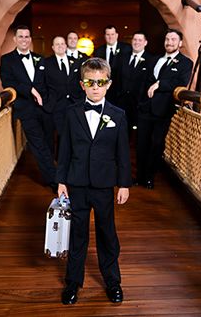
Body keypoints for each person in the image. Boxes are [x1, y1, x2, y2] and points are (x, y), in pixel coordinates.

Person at [56, 57, 132, 305]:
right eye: (90, 82)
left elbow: (123, 154)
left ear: (108, 84)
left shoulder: (118, 115)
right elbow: (64, 149)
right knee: (77, 234)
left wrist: (124, 184)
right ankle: (73, 282)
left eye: (100, 82)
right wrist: (61, 181)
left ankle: (113, 281)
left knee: (106, 232)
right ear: (82, 84)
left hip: (103, 184)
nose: (95, 87)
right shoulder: (71, 113)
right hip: (76, 183)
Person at [0, 25, 57, 192]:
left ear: (30, 39)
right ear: (15, 39)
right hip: (25, 109)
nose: (24, 39)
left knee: (48, 143)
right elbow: (8, 83)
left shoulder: (40, 58)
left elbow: (48, 83)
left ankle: (52, 175)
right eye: (21, 36)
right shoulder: (7, 60)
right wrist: (30, 90)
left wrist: (49, 105)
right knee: (38, 145)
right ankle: (54, 181)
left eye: (27, 36)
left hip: (44, 109)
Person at [136, 28, 193, 189]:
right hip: (146, 109)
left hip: (163, 110)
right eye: (167, 39)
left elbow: (180, 82)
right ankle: (139, 177)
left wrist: (160, 84)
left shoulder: (185, 63)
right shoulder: (155, 59)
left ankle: (149, 177)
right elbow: (144, 82)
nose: (169, 42)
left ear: (180, 43)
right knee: (141, 144)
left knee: (156, 144)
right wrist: (141, 103)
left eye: (173, 40)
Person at [44, 36, 84, 154]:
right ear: (52, 47)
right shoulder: (47, 62)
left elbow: (81, 81)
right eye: (57, 44)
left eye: (62, 44)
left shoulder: (75, 62)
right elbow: (41, 84)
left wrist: (80, 99)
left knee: (71, 135)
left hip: (73, 104)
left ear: (66, 46)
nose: (60, 46)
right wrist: (46, 101)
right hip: (55, 105)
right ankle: (58, 161)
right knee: (59, 134)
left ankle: (68, 161)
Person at [117, 31, 155, 135]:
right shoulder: (122, 57)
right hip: (122, 103)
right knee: (122, 133)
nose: (137, 42)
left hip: (140, 104)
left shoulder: (151, 60)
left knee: (139, 136)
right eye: (135, 40)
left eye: (140, 40)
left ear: (145, 42)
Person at [94, 25, 130, 104]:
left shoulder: (127, 49)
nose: (110, 37)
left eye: (112, 34)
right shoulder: (98, 51)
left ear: (117, 35)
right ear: (104, 36)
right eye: (108, 35)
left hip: (122, 92)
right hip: (104, 90)